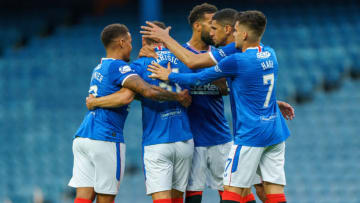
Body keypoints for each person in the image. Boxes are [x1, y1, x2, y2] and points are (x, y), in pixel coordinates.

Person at [147, 10, 291, 203]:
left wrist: (169, 74)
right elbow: (254, 84)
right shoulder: (270, 53)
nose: (233, 34)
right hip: (275, 130)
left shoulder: (235, 59)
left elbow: (196, 71)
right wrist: (272, 102)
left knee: (231, 191)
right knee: (273, 191)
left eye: (236, 31)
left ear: (244, 34)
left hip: (250, 134)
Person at [68, 23, 191, 203]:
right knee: (106, 197)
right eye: (131, 42)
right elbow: (135, 94)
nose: (133, 48)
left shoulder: (99, 68)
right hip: (105, 137)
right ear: (122, 42)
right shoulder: (120, 67)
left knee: (83, 198)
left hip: (83, 137)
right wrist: (177, 97)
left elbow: (129, 93)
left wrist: (94, 102)